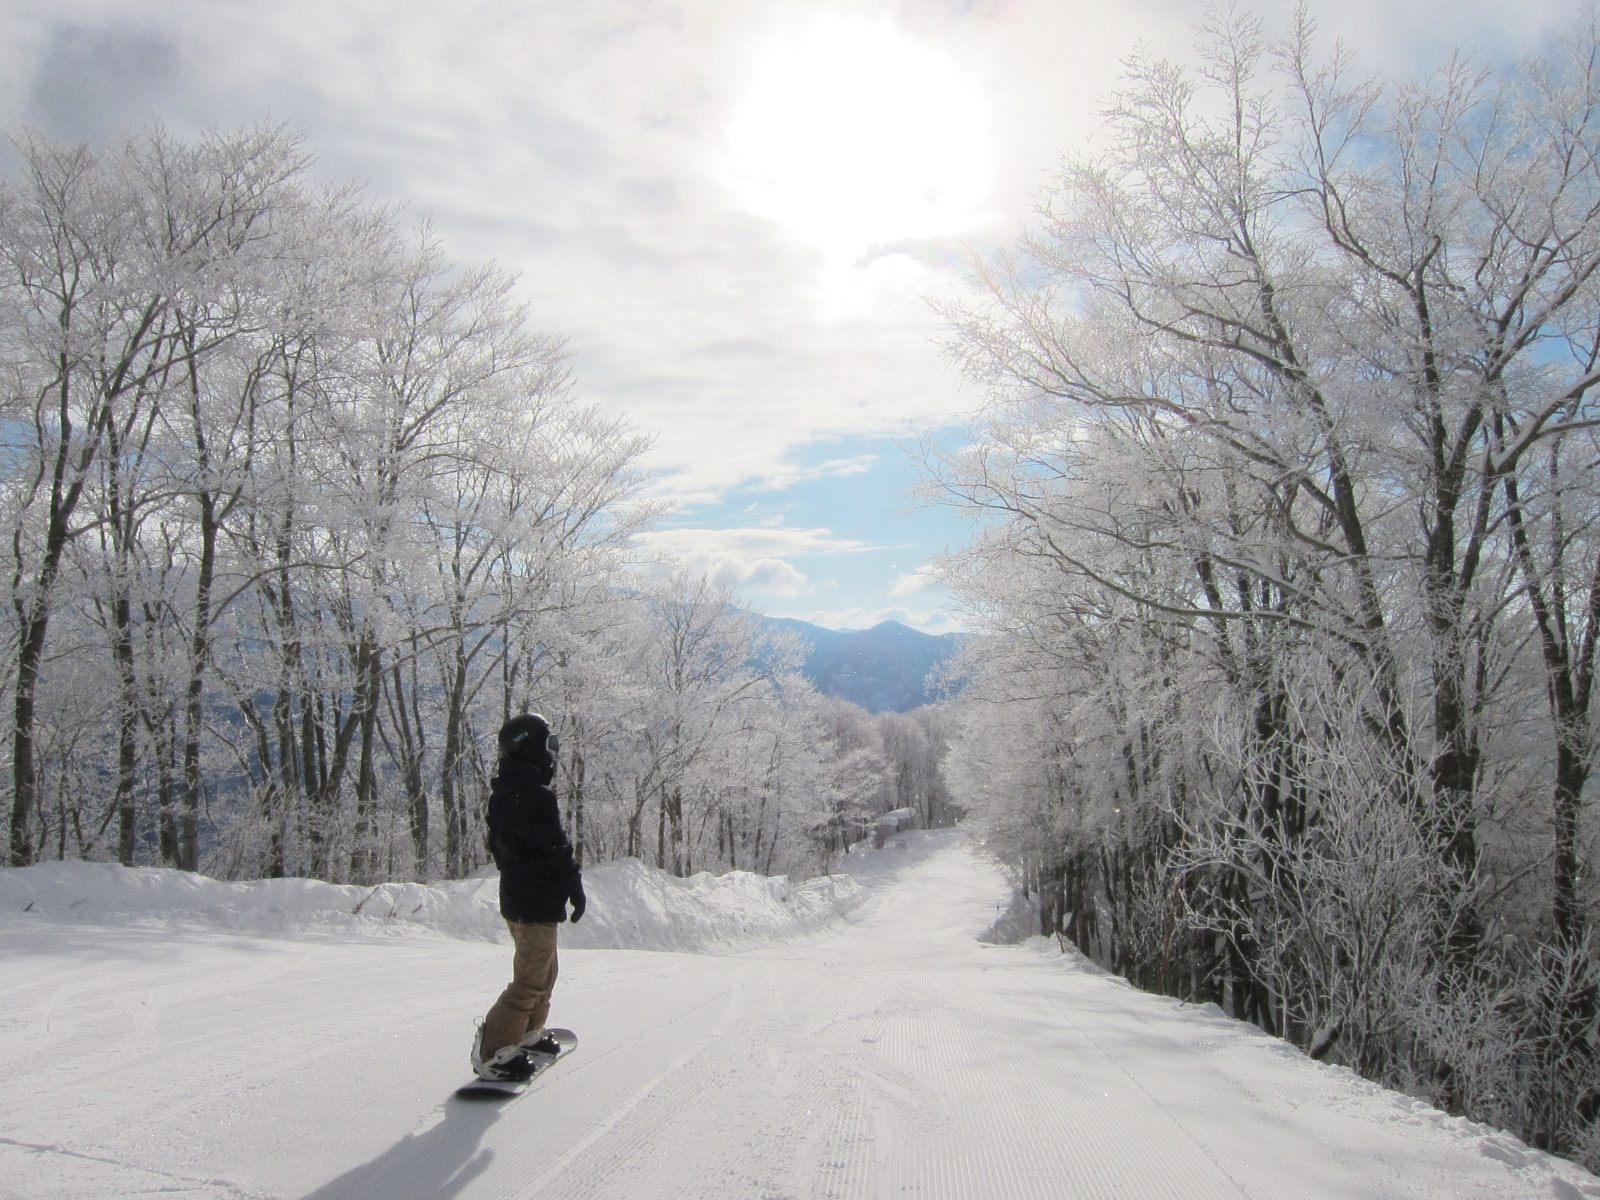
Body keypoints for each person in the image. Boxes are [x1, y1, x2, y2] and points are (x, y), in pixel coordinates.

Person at [470, 712, 587, 1082]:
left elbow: (500, 848)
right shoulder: (535, 796)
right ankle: (493, 1053)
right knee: (531, 980)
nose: (552, 753)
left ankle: (527, 1034)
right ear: (528, 747)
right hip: (535, 900)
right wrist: (573, 885)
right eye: (548, 744)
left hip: (522, 898)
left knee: (545, 971)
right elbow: (556, 846)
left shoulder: (505, 794)